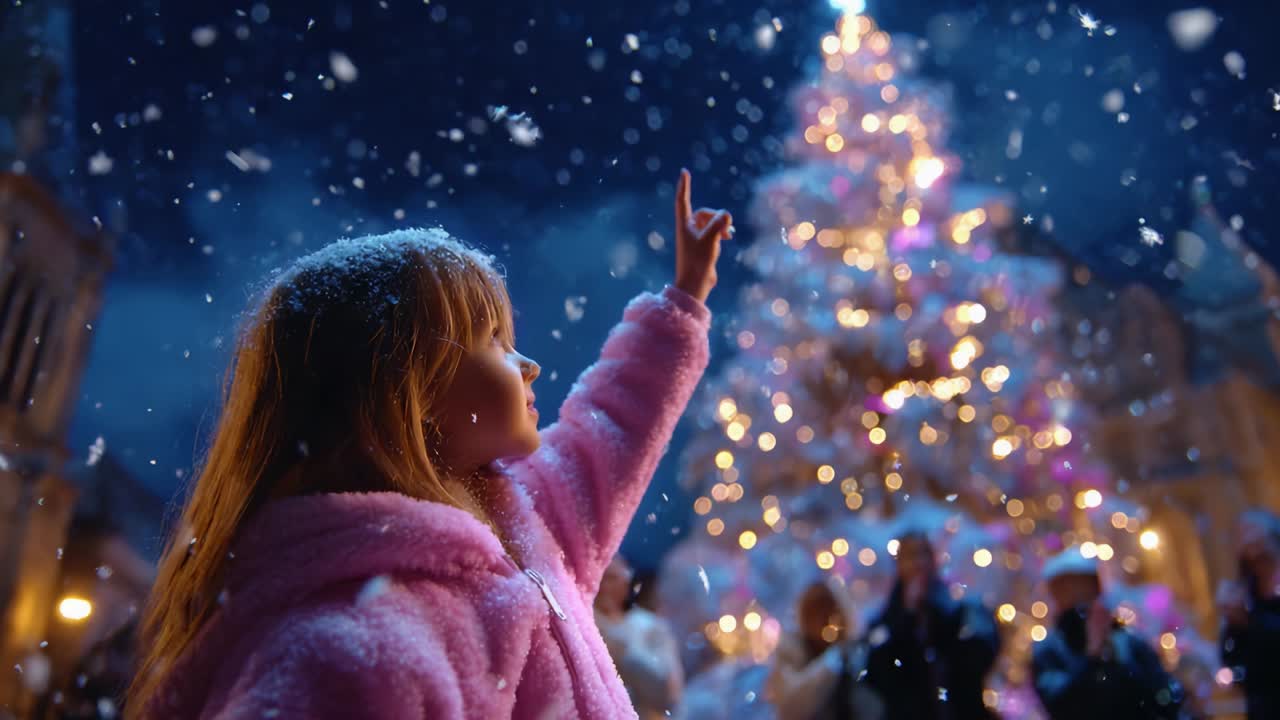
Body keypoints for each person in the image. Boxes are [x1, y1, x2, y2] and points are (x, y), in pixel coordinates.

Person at [125, 169, 733, 719]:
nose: (531, 364)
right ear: (405, 390)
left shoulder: (530, 528)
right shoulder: (349, 653)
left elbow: (608, 433)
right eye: (494, 341)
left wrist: (682, 301)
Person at [1032, 547, 1185, 720]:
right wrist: (1093, 659)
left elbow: (1161, 696)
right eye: (1067, 588)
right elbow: (1063, 705)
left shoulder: (1126, 640)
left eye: (1084, 585)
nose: (1078, 594)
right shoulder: (1050, 650)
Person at [862, 531, 999, 720]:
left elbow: (980, 657)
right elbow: (878, 675)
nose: (919, 563)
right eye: (911, 556)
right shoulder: (883, 624)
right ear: (899, 565)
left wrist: (941, 618)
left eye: (924, 553)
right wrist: (907, 619)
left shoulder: (963, 612)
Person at [766, 578, 885, 720]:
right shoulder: (790, 653)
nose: (825, 620)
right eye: (816, 613)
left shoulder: (856, 652)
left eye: (830, 611)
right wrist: (831, 662)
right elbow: (790, 706)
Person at [594, 555, 685, 720]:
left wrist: (625, 655)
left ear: (626, 582)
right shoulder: (583, 624)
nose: (604, 587)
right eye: (600, 579)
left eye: (612, 578)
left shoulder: (650, 627)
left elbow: (669, 693)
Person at [1219, 510, 1280, 720]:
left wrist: (1251, 623)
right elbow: (1231, 658)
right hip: (1264, 703)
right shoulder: (1245, 591)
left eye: (1254, 534)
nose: (1248, 541)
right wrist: (1233, 623)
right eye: (1241, 536)